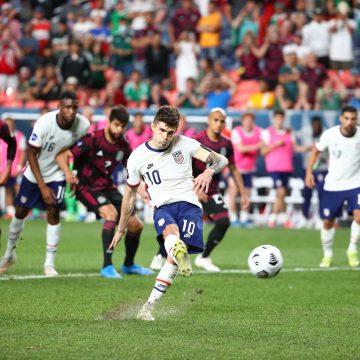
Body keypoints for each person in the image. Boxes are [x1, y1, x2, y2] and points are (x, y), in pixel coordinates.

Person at [108, 105, 228, 321]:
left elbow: (221, 160)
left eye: (171, 132)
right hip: (163, 206)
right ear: (153, 126)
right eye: (162, 130)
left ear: (176, 131)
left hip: (190, 205)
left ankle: (148, 307)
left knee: (172, 256)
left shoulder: (185, 144)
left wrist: (209, 172)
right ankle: (176, 250)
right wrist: (121, 228)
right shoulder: (137, 157)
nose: (165, 137)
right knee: (171, 235)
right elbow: (130, 195)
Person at [56, 106, 153, 278]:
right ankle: (107, 266)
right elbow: (63, 155)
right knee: (111, 214)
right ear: (109, 121)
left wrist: (143, 192)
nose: (119, 130)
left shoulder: (123, 146)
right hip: (87, 187)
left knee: (136, 225)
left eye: (123, 126)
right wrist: (69, 174)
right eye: (116, 125)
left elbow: (132, 172)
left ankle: (129, 265)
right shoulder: (93, 139)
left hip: (108, 187)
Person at [0, 91, 90, 276]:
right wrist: (42, 186)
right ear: (58, 107)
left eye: (75, 107)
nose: (72, 111)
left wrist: (71, 174)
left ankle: (49, 264)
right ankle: (9, 254)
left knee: (53, 210)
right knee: (20, 212)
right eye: (67, 107)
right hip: (34, 173)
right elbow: (32, 154)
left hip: (56, 173)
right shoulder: (44, 123)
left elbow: (70, 151)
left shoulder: (83, 125)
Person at [193, 108, 249, 272]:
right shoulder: (197, 141)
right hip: (191, 189)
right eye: (215, 120)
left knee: (224, 221)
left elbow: (233, 168)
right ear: (209, 121)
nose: (218, 124)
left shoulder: (226, 143)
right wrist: (194, 188)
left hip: (211, 191)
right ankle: (161, 255)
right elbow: (184, 167)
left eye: (222, 121)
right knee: (180, 226)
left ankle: (203, 257)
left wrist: (243, 193)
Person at [305, 106, 360, 268]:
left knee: (359, 217)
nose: (350, 122)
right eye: (347, 118)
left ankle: (352, 250)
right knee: (328, 222)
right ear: (341, 119)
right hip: (334, 185)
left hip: (356, 184)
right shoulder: (330, 134)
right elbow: (315, 151)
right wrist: (309, 172)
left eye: (353, 119)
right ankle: (327, 255)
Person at [261, 110, 308, 228]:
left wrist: (308, 148)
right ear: (274, 119)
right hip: (274, 167)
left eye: (281, 118)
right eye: (277, 118)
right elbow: (263, 151)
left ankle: (272, 218)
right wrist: (275, 144)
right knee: (280, 191)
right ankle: (285, 218)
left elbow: (296, 148)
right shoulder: (267, 132)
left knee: (281, 194)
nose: (279, 120)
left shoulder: (289, 132)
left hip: (286, 168)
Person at [229, 112, 263, 226]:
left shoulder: (258, 132)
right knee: (233, 193)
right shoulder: (236, 132)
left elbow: (265, 143)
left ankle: (244, 218)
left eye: (250, 121)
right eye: (246, 120)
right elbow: (241, 149)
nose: (248, 123)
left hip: (249, 169)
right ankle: (233, 218)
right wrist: (258, 145)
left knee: (247, 194)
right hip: (236, 168)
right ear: (242, 121)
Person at [0, 117, 27, 218]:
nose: (9, 125)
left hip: (15, 169)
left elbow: (23, 151)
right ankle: (10, 211)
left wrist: (19, 167)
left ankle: (23, 209)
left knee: (19, 188)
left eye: (10, 123)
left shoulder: (19, 136)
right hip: (3, 169)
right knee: (8, 190)